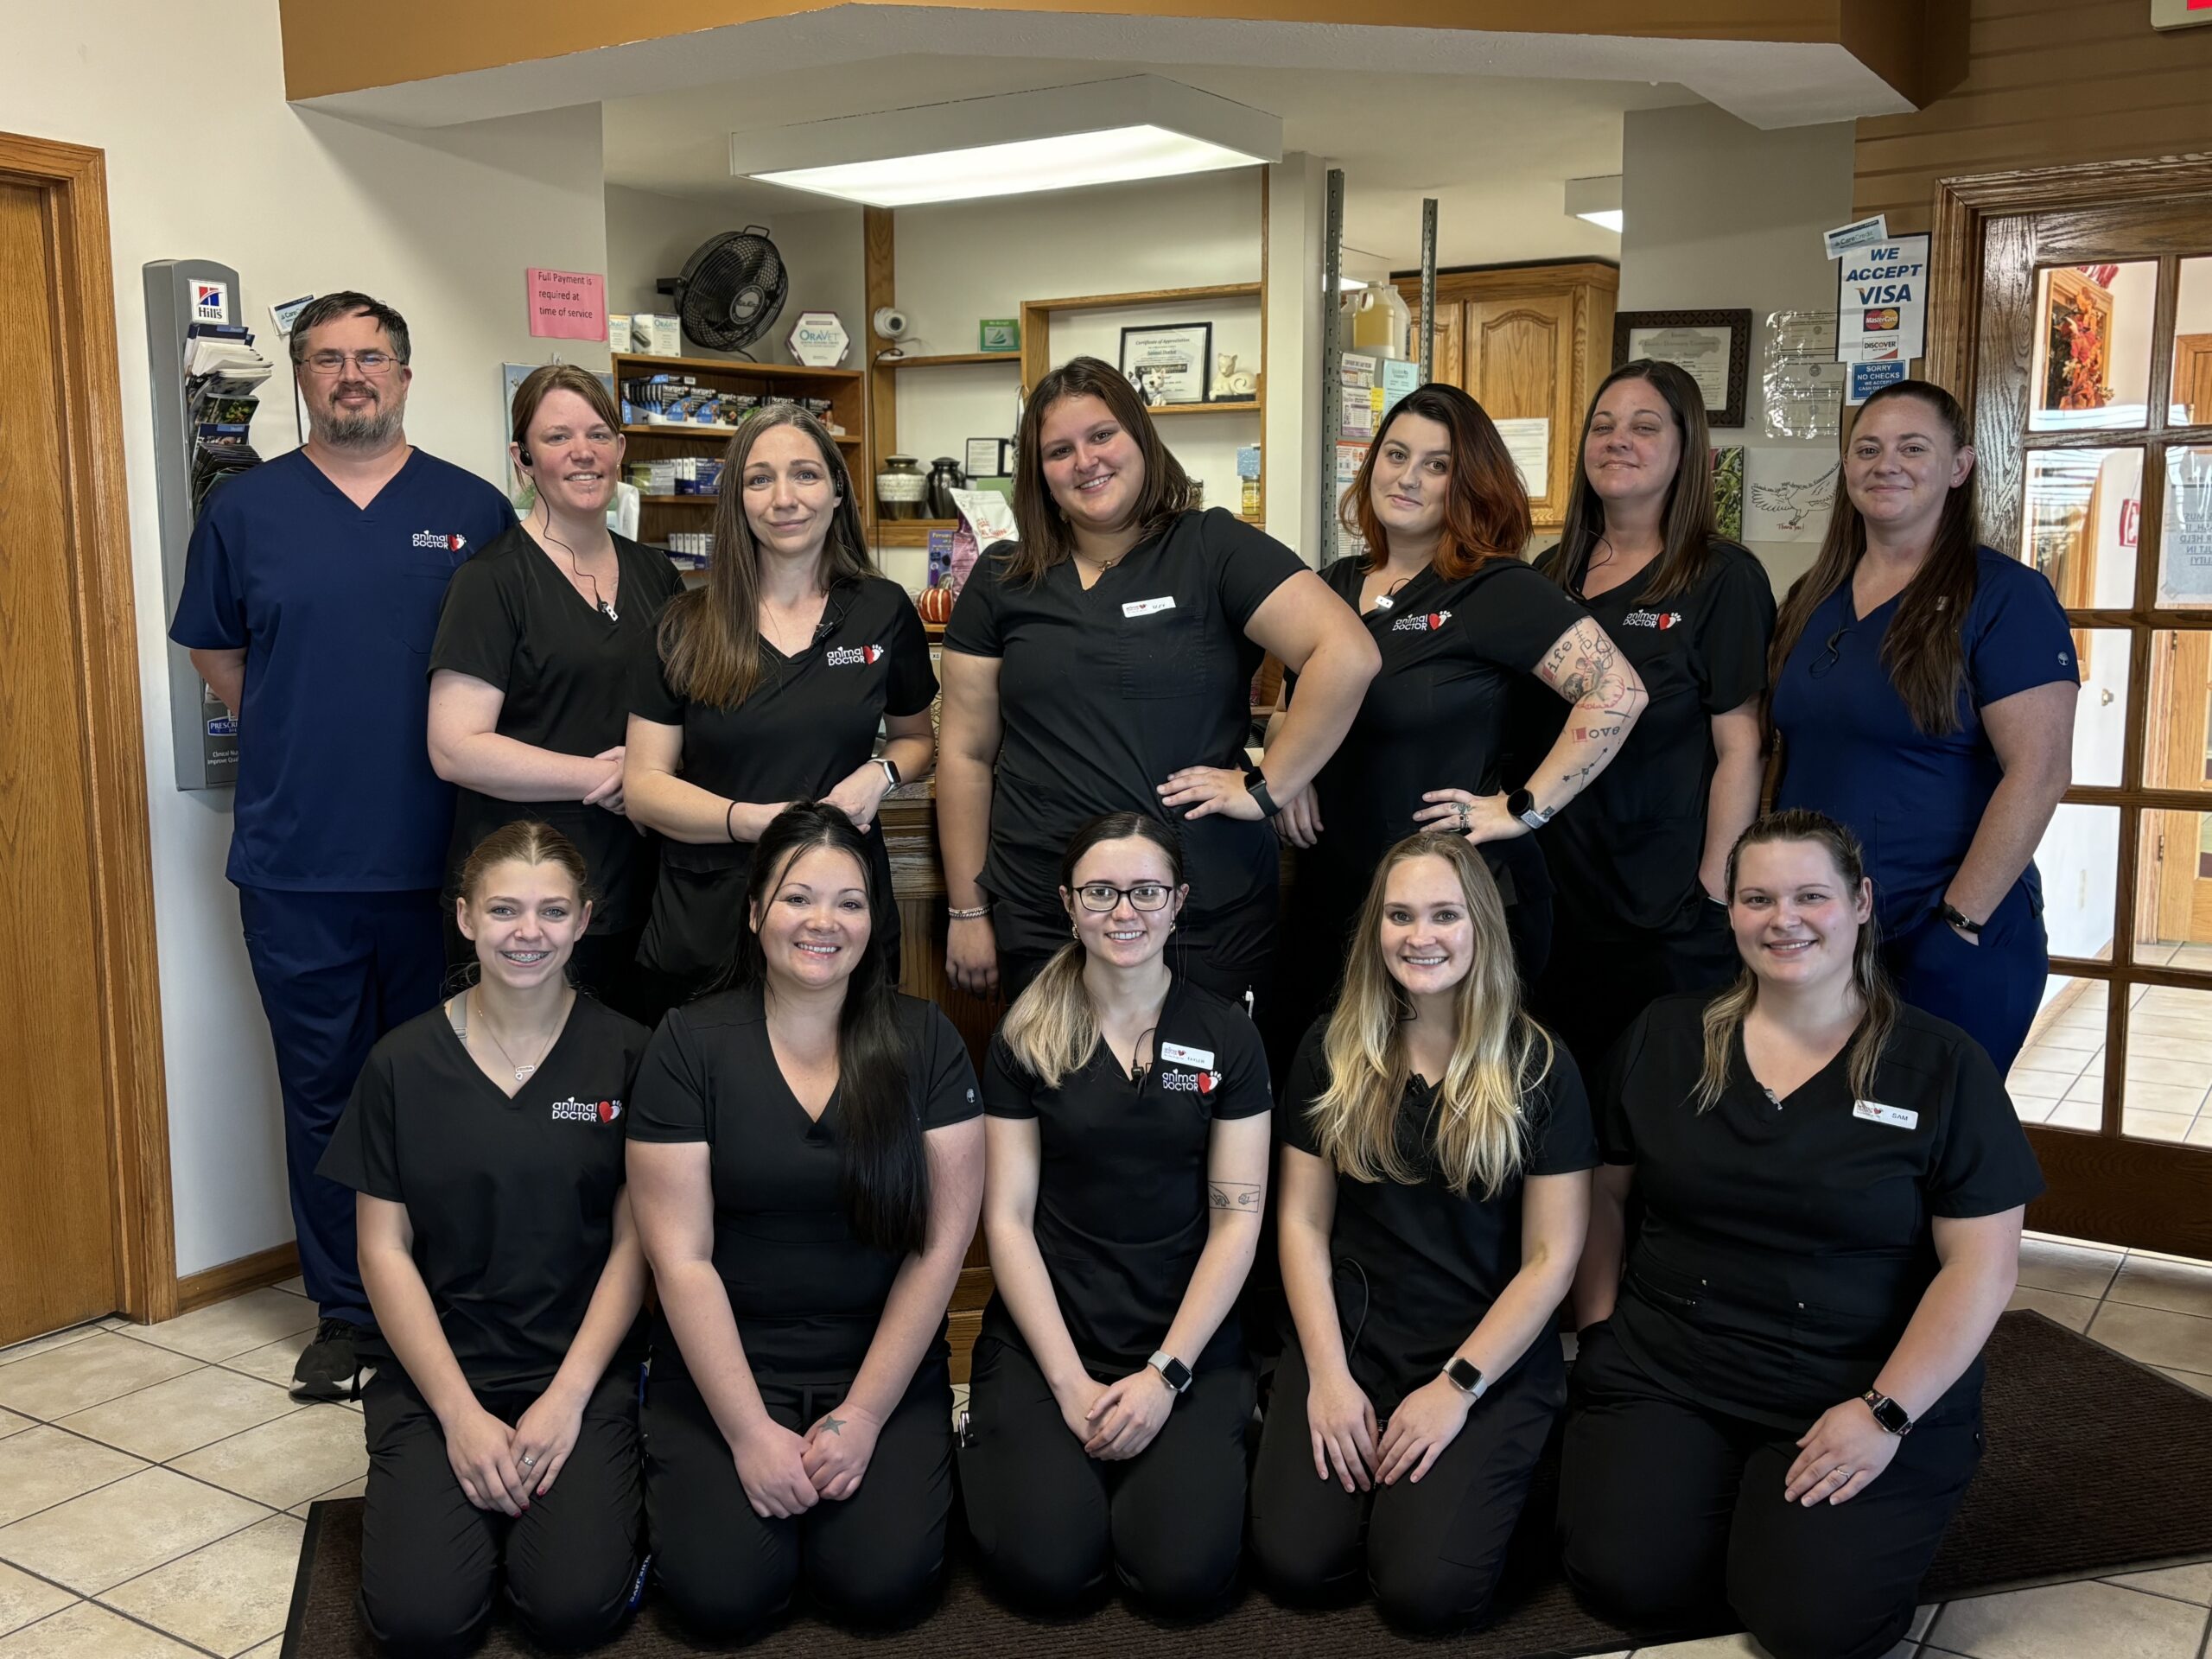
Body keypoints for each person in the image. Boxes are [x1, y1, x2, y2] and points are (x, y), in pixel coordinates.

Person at [1560, 810, 2040, 1659]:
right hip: (1670, 1364)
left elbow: (1982, 1269)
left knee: (1811, 1626)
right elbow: (1602, 1196)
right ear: (1732, 912)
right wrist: (1599, 1330)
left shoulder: (1940, 1065)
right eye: (1758, 899)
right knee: (1627, 1581)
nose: (1783, 920)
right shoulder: (1665, 1038)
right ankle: (1729, 1498)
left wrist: (1884, 1415)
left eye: (1810, 896)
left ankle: (1813, 1518)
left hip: (1853, 1380)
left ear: (1859, 903)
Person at [170, 290, 518, 1399]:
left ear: (405, 375)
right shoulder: (246, 511)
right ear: (303, 377)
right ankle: (348, 1315)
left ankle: (448, 1297)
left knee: (444, 1090)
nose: (351, 375)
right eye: (326, 359)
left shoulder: (472, 509)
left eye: (371, 357)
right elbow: (221, 660)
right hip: (298, 865)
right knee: (322, 1093)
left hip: (447, 869)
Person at [626, 803, 983, 1637]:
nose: (824, 922)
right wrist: (750, 1433)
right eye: (797, 899)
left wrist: (861, 1419)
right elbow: (680, 1260)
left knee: (881, 1591)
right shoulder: (686, 1046)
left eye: (850, 903)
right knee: (723, 1602)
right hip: (728, 1367)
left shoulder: (924, 1039)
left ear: (872, 921)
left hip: (879, 1366)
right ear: (755, 915)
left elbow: (939, 1251)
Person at [938, 354, 1378, 1010]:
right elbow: (965, 753)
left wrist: (1270, 784)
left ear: (1141, 439)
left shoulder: (1212, 547)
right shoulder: (1004, 576)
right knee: (1058, 1098)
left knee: (1208, 1098)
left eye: (1101, 435)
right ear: (1039, 473)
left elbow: (1346, 653)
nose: (1085, 460)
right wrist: (968, 912)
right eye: (1059, 450)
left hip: (1199, 908)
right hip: (1044, 905)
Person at [319, 821, 650, 1656]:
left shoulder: (631, 1056)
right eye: (504, 910)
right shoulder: (400, 1065)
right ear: (465, 918)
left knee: (572, 1611)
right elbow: (381, 1251)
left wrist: (570, 1396)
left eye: (550, 911)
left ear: (584, 919)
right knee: (420, 1624)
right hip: (441, 1377)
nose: (527, 933)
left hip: (580, 1372)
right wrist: (459, 1414)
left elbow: (638, 1245)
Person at [1251, 832, 1592, 1632]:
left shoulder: (1540, 1067)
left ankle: (1491, 1477)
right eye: (1400, 915)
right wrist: (1328, 1378)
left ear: (1481, 927)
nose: (1420, 936)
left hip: (1483, 1351)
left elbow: (1553, 1257)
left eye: (1444, 914)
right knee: (1298, 1566)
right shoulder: (1331, 1048)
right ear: (1376, 930)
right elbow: (1300, 1224)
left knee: (1423, 1596)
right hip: (1356, 1336)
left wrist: (1456, 1391)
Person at [1268, 382, 1649, 1055]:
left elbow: (1618, 693)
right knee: (1327, 1087)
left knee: (1451, 1103)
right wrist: (1287, 773)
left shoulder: (1495, 588)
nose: (1407, 478)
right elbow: (1289, 707)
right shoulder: (1331, 583)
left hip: (1455, 907)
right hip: (1336, 890)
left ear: (1467, 483)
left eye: (1436, 465)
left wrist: (1522, 809)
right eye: (1395, 454)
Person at [959, 813, 1271, 1615]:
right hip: (1051, 1336)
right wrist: (1067, 1384)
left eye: (1145, 891)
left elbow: (1238, 1220)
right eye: (1100, 892)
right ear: (1068, 903)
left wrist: (1167, 1376)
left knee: (1181, 1579)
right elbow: (1007, 1218)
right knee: (1048, 1575)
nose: (1123, 911)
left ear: (1178, 903)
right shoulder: (1025, 1034)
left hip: (1185, 1338)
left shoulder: (1227, 1037)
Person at [1769, 379, 2075, 1074]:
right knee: (1828, 1151)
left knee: (1941, 1157)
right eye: (1868, 448)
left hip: (1948, 935)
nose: (1887, 464)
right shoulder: (1811, 596)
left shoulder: (2005, 596)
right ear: (1846, 466)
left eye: (1914, 447)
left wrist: (1959, 924)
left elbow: (2042, 769)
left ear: (1960, 467)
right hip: (1818, 938)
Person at [626, 404, 936, 1009]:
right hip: (710, 916)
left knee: (848, 1088)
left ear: (838, 491)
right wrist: (758, 820)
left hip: (836, 913)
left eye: (805, 474)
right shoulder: (683, 626)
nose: (784, 498)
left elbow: (915, 739)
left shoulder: (881, 609)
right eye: (760, 479)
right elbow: (643, 786)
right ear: (736, 500)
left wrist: (881, 775)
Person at [1527, 360, 1774, 1075]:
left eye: (1644, 426)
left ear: (1685, 448)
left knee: (1655, 1114)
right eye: (1602, 427)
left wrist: (1715, 890)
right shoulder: (1549, 575)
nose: (1617, 441)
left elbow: (1742, 749)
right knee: (1559, 1104)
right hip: (1555, 895)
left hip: (1663, 906)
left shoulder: (1721, 578)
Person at [429, 365, 683, 1024]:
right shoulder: (491, 582)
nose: (583, 452)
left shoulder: (657, 574)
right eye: (558, 436)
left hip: (645, 888)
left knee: (638, 1088)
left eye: (599, 434)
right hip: (531, 898)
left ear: (621, 451)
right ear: (522, 460)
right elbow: (456, 748)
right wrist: (615, 775)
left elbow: (687, 707)